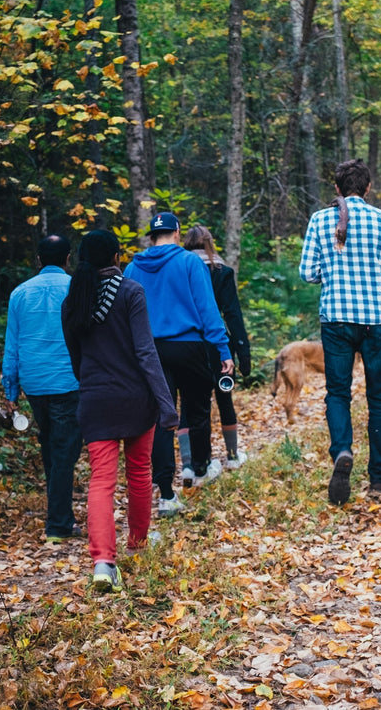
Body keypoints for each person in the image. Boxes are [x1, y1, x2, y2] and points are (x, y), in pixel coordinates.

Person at [62, 230, 179, 593]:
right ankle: (138, 545)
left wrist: (93, 386)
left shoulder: (73, 301)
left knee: (101, 481)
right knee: (140, 473)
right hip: (134, 400)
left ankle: (102, 563)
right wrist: (166, 403)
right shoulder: (130, 292)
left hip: (95, 401)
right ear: (116, 257)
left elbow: (76, 359)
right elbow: (146, 352)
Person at [299, 159, 381, 506]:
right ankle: (379, 477)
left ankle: (342, 451)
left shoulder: (320, 220)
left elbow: (307, 273)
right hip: (376, 320)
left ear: (337, 189)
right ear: (368, 187)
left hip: (337, 320)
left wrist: (332, 273)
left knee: (338, 393)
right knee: (379, 398)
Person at [123, 212, 234, 516]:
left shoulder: (133, 267)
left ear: (151, 236)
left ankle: (166, 493)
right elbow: (207, 308)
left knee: (162, 417)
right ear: (177, 233)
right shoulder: (189, 262)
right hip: (189, 346)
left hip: (150, 350)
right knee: (196, 409)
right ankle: (198, 470)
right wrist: (223, 349)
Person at [2, 235, 83, 544]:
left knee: (51, 445)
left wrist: (10, 390)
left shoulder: (19, 294)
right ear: (68, 258)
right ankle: (59, 523)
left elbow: (12, 345)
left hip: (35, 383)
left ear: (38, 260)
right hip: (68, 381)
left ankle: (60, 513)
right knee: (64, 450)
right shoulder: (76, 288)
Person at [180, 225, 252, 468]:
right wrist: (243, 351)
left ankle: (190, 463)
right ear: (210, 243)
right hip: (219, 345)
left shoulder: (179, 270)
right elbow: (232, 314)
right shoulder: (222, 272)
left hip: (187, 344)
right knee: (224, 398)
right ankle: (232, 456)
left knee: (188, 404)